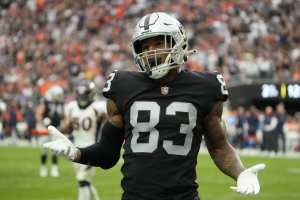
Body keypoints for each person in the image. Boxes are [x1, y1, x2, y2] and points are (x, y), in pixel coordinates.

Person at [43, 12, 265, 199]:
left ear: (179, 41)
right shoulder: (122, 85)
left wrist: (241, 173)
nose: (151, 51)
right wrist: (76, 152)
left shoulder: (205, 87)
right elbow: (108, 153)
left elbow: (218, 147)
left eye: (159, 42)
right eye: (145, 46)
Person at [62, 80, 106, 200]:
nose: (82, 96)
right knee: (84, 180)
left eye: (85, 93)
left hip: (92, 148)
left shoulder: (99, 107)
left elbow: (111, 123)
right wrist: (62, 128)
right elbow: (66, 128)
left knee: (82, 178)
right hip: (76, 148)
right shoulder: (71, 107)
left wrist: (103, 119)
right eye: (80, 93)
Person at [37, 85, 65, 177]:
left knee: (55, 150)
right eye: (58, 95)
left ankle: (54, 168)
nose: (60, 97)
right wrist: (43, 120)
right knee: (44, 149)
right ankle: (43, 167)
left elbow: (62, 115)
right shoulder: (46, 102)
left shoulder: (61, 103)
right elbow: (39, 115)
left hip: (56, 129)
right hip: (45, 129)